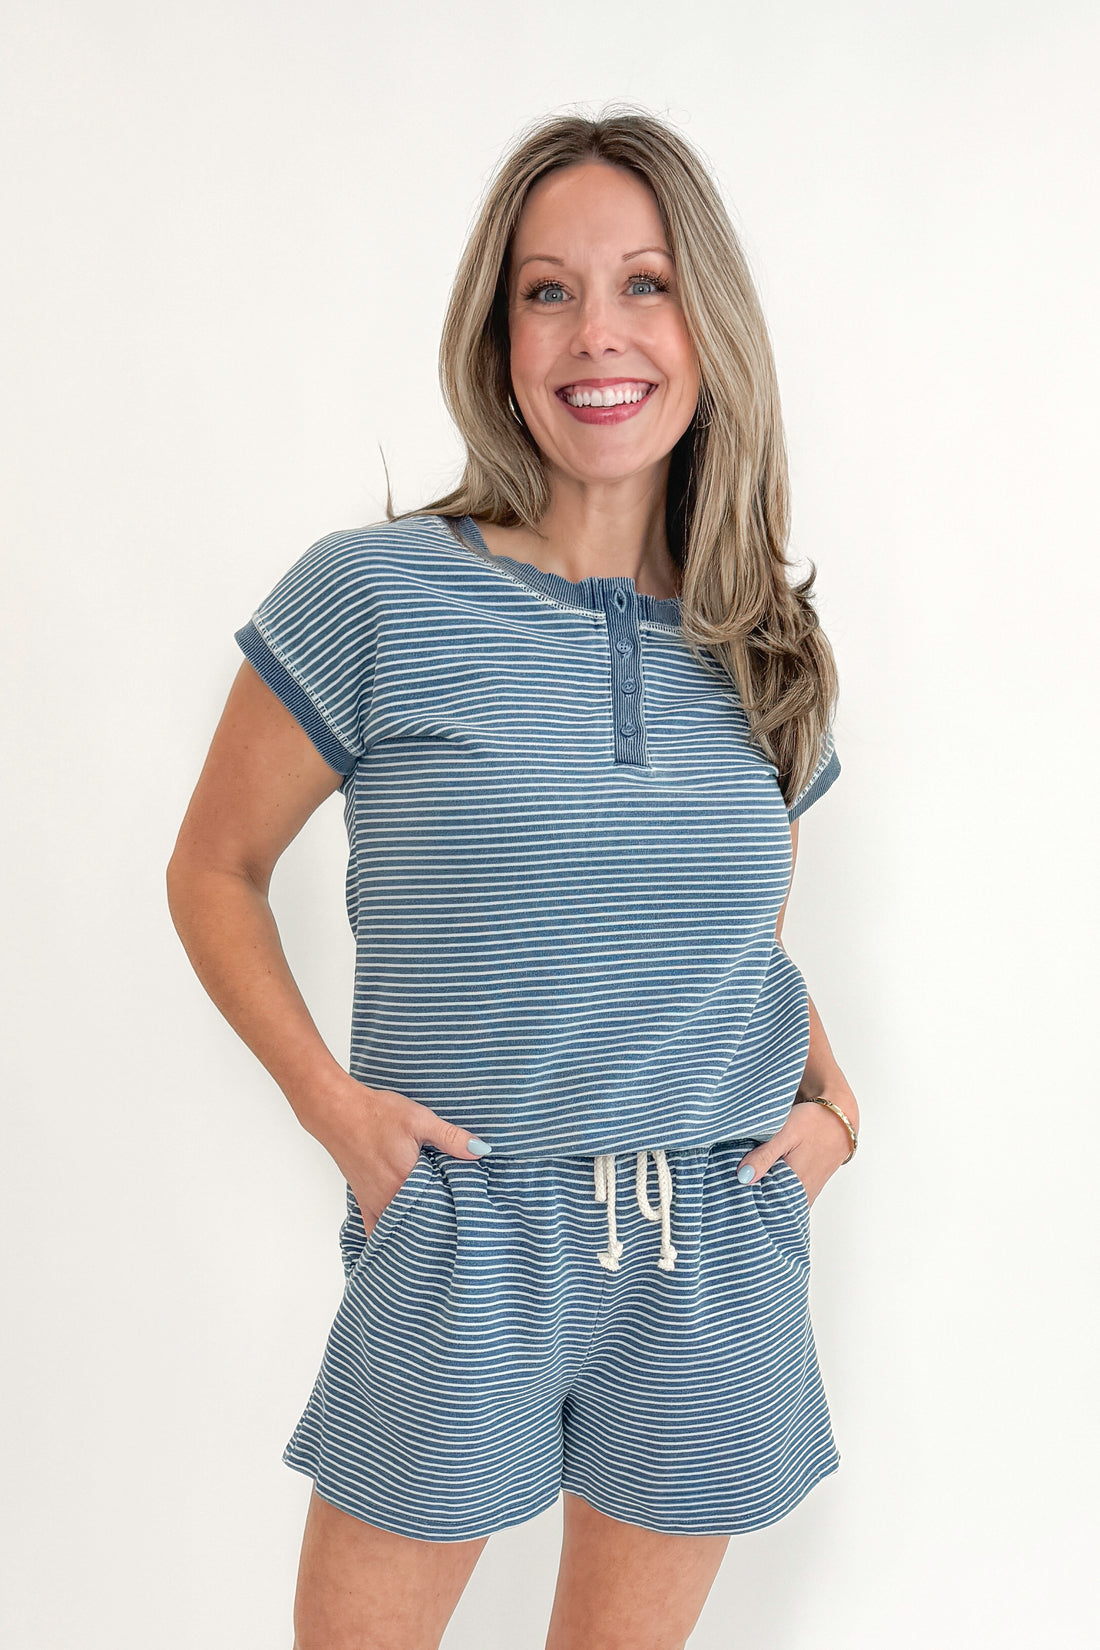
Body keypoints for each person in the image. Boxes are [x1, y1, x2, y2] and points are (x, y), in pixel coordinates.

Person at [167, 105, 860, 1650]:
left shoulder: (769, 649)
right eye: (548, 289)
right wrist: (335, 1114)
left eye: (644, 284)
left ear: (708, 323)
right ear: (498, 330)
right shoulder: (375, 594)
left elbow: (745, 941)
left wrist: (834, 1113)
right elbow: (215, 867)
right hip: (462, 1229)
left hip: (707, 1252)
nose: (596, 333)